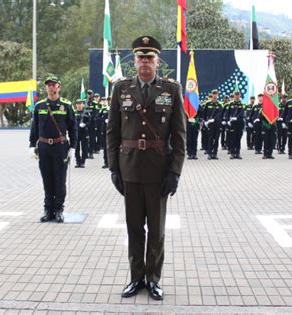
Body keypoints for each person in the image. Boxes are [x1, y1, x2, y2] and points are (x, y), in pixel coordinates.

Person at [107, 36, 186, 300]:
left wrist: (175, 172)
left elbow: (179, 136)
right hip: (129, 169)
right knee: (133, 228)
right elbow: (112, 132)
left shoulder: (171, 90)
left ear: (157, 61)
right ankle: (136, 278)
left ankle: (153, 279)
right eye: (140, 58)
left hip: (158, 170)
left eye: (149, 58)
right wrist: (113, 168)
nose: (144, 63)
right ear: (135, 61)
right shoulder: (121, 89)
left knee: (156, 229)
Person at [29, 75, 77, 223]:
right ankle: (47, 209)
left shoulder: (66, 106)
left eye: (53, 85)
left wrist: (73, 147)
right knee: (47, 179)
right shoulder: (39, 106)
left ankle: (58, 210)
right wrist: (32, 145)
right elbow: (34, 128)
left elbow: (73, 128)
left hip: (60, 147)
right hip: (44, 147)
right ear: (46, 88)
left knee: (59, 179)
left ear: (59, 87)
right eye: (48, 85)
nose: (51, 87)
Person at [226, 91, 245, 159]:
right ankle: (232, 153)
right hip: (232, 124)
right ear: (234, 96)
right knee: (232, 139)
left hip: (239, 123)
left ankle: (238, 153)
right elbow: (227, 114)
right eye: (236, 95)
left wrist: (236, 117)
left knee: (238, 139)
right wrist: (227, 121)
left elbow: (242, 113)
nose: (237, 96)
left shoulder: (242, 104)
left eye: (238, 95)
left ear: (240, 95)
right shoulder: (230, 104)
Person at [204, 90, 222, 160]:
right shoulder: (208, 104)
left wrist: (214, 119)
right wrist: (205, 121)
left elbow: (220, 114)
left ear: (217, 95)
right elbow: (205, 113)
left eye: (216, 94)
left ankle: (215, 154)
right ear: (212, 95)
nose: (215, 95)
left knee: (216, 139)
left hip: (217, 124)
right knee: (210, 139)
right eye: (213, 94)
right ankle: (209, 154)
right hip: (210, 124)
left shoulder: (219, 104)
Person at [74, 99, 90, 168]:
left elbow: (90, 122)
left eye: (80, 104)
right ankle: (78, 162)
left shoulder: (86, 112)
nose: (79, 105)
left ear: (83, 105)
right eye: (78, 104)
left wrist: (85, 124)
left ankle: (83, 162)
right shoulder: (74, 112)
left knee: (84, 148)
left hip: (84, 132)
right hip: (76, 132)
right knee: (76, 148)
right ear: (76, 105)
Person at [98, 96, 110, 168]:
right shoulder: (103, 109)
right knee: (105, 147)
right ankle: (106, 162)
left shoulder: (116, 108)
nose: (109, 102)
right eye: (108, 100)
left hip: (113, 131)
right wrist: (104, 119)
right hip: (105, 130)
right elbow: (98, 117)